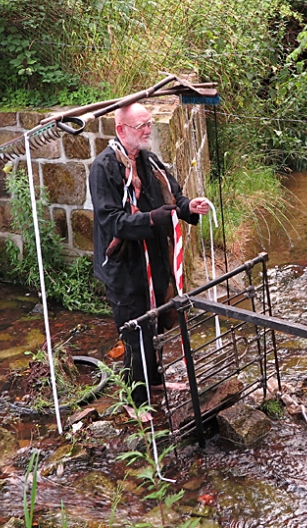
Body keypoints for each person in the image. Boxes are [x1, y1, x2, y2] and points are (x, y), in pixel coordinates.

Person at [89, 102, 211, 411]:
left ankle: (154, 381)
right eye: (140, 125)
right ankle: (136, 403)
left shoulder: (150, 161)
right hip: (125, 270)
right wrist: (154, 218)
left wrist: (188, 207)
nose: (147, 130)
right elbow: (113, 222)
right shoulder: (104, 168)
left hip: (156, 262)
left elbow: (174, 198)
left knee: (156, 326)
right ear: (121, 130)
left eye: (149, 124)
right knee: (135, 334)